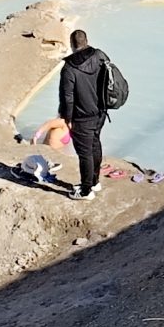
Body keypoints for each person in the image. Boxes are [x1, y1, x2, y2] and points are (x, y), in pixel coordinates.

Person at [56, 27, 123, 201]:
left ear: (72, 45)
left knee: (84, 153)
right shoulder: (100, 55)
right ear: (86, 41)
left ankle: (86, 191)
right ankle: (94, 182)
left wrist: (67, 118)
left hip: (81, 117)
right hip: (100, 112)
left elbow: (67, 97)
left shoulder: (69, 69)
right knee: (95, 144)